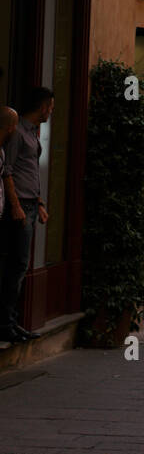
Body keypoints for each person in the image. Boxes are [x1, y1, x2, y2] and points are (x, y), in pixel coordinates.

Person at [0, 88, 53, 344]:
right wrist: (16, 206)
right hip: (19, 207)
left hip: (31, 205)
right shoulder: (18, 133)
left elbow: (31, 171)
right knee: (16, 265)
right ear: (42, 106)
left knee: (21, 266)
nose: (51, 111)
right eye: (50, 106)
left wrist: (40, 202)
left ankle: (12, 321)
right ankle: (5, 323)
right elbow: (7, 170)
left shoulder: (32, 132)